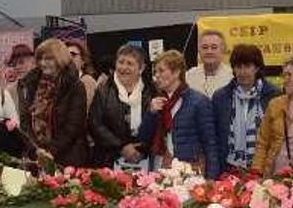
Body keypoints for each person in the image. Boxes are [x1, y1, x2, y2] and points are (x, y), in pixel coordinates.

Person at [139, 49, 220, 178]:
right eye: (155, 72)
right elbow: (143, 138)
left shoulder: (199, 101)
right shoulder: (156, 102)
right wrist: (151, 113)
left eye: (161, 71)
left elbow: (210, 143)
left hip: (188, 170)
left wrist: (212, 178)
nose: (156, 76)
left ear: (176, 72)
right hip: (159, 168)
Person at [17, 38, 89, 167]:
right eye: (40, 59)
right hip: (36, 157)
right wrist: (36, 150)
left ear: (60, 59)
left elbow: (74, 125)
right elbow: (25, 121)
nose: (43, 63)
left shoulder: (75, 86)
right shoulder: (29, 84)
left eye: (49, 59)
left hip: (67, 158)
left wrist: (51, 152)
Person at [211, 44, 281, 174]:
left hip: (264, 167)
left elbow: (278, 135)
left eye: (247, 66)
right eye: (238, 67)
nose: (242, 72)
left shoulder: (274, 95)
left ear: (257, 68)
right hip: (229, 167)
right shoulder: (221, 96)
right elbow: (214, 137)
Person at [89, 44, 155, 170]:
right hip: (108, 160)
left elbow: (156, 126)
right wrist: (122, 147)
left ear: (141, 68)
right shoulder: (103, 90)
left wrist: (139, 149)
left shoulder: (151, 91)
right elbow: (94, 124)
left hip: (143, 159)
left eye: (130, 63)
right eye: (121, 62)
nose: (124, 67)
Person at [185, 29, 233, 98]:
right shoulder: (189, 76)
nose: (209, 51)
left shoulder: (232, 77)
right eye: (205, 47)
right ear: (199, 50)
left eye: (214, 47)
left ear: (223, 50)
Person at [66, 39, 98, 110]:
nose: (69, 59)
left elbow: (85, 111)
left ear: (83, 60)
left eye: (73, 54)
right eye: (66, 55)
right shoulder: (64, 82)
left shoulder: (87, 81)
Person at [7, 43, 36, 112]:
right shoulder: (10, 91)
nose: (17, 67)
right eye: (14, 64)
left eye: (21, 62)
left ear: (33, 62)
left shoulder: (44, 87)